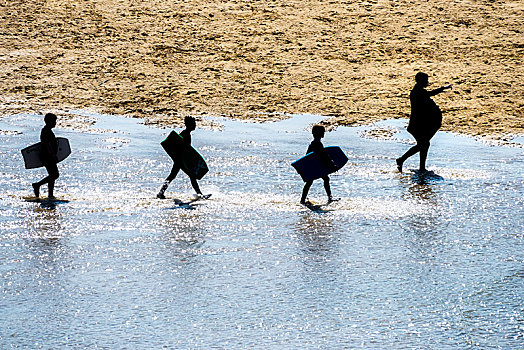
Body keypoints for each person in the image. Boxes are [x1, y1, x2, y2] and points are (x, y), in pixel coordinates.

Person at [396, 72, 452, 172]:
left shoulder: (418, 91)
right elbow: (429, 94)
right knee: (423, 144)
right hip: (417, 125)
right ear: (420, 81)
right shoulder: (417, 92)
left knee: (424, 144)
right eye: (425, 80)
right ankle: (401, 160)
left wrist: (442, 89)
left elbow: (429, 94)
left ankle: (421, 167)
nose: (427, 82)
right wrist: (442, 89)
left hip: (419, 124)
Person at [157, 116, 210, 199]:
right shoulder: (185, 134)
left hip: (180, 160)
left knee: (173, 176)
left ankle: (161, 192)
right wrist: (182, 161)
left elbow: (187, 149)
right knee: (189, 176)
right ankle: (200, 195)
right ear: (189, 125)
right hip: (180, 160)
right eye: (193, 124)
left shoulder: (186, 133)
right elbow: (181, 148)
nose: (195, 125)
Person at [300, 125, 337, 205]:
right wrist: (332, 165)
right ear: (322, 134)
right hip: (316, 167)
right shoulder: (318, 144)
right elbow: (324, 156)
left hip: (313, 166)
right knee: (322, 180)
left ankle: (302, 200)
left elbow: (307, 156)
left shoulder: (313, 143)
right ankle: (330, 198)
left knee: (319, 180)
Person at [32, 113, 60, 198]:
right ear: (48, 122)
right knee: (55, 175)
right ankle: (37, 185)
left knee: (52, 175)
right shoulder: (46, 131)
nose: (55, 123)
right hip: (47, 156)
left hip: (48, 156)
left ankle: (50, 194)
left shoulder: (47, 130)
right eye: (54, 121)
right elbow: (46, 144)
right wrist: (52, 154)